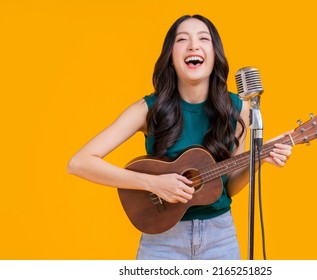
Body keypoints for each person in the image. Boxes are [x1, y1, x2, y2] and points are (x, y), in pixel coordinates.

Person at [67, 14, 293, 260]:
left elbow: (228, 186)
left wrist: (259, 159)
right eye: (182, 40)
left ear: (215, 54)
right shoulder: (147, 109)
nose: (193, 45)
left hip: (220, 237)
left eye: (203, 39)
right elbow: (79, 162)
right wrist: (152, 183)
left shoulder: (239, 109)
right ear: (171, 57)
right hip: (162, 242)